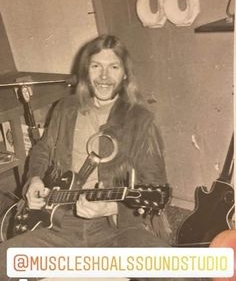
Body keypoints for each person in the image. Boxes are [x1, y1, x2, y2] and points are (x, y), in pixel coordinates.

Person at [0, 34, 170, 281]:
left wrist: (111, 207)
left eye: (113, 67)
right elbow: (43, 149)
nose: (104, 76)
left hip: (115, 230)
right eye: (96, 66)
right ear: (85, 72)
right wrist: (34, 179)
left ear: (125, 75)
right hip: (58, 224)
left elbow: (158, 190)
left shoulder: (140, 120)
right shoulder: (65, 108)